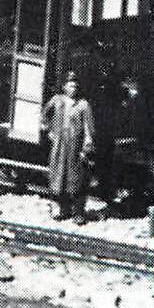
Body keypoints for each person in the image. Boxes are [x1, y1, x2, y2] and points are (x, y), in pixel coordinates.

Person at [42, 75, 97, 223]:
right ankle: (62, 209)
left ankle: (78, 213)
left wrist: (86, 148)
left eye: (75, 86)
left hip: (75, 148)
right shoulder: (57, 100)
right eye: (70, 85)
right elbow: (44, 116)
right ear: (64, 87)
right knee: (59, 177)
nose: (73, 88)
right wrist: (50, 132)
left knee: (77, 179)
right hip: (59, 147)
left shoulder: (83, 105)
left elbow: (88, 130)